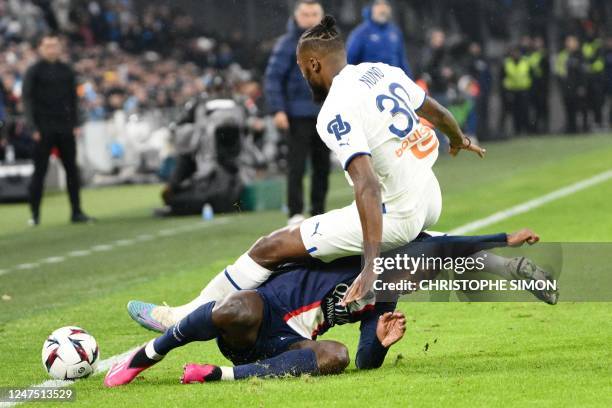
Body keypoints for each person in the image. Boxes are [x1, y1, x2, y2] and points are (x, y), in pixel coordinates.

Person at [128, 15, 485, 330]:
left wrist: (370, 265)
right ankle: (485, 259)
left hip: (398, 211)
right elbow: (435, 110)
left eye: (302, 70)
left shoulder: (335, 110)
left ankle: (181, 317)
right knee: (328, 241)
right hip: (429, 195)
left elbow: (368, 185)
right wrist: (458, 138)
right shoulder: (380, 71)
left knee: (270, 247)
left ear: (314, 64)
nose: (303, 77)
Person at [108, 228, 555, 387]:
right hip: (255, 319)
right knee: (238, 306)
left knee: (334, 356)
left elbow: (362, 361)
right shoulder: (350, 251)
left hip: (285, 347)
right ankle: (153, 350)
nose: (410, 281)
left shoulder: (384, 302)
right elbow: (440, 245)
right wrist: (501, 241)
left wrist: (379, 344)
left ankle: (215, 376)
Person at [264, 0, 330, 226]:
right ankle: (295, 213)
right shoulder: (286, 44)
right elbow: (273, 78)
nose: (310, 18)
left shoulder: (330, 44)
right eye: (305, 14)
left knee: (322, 165)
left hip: (325, 113)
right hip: (296, 114)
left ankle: (319, 211)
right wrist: (278, 109)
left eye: (314, 14)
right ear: (296, 16)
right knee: (297, 165)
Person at [21, 34, 93, 225]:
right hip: (43, 128)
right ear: (40, 48)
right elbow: (27, 101)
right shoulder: (33, 71)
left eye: (55, 45)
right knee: (40, 173)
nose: (52, 49)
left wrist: (75, 123)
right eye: (48, 46)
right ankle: (35, 214)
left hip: (65, 127)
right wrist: (33, 127)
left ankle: (76, 211)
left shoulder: (67, 70)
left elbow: (73, 99)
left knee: (72, 171)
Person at [346, 0, 412, 78]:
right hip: (369, 83)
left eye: (386, 4)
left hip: (392, 82)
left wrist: (410, 81)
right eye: (378, 4)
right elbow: (349, 61)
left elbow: (402, 61)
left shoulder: (395, 32)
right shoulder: (361, 33)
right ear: (371, 8)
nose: (382, 8)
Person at [555, 35, 588, 134]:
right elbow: (559, 72)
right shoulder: (563, 55)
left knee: (582, 108)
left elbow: (583, 72)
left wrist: (582, 86)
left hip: (577, 86)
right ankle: (571, 127)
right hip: (567, 87)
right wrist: (562, 85)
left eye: (572, 41)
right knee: (569, 108)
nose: (570, 44)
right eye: (568, 41)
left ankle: (584, 127)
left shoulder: (580, 55)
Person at [501, 46, 532, 136]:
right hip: (512, 91)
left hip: (524, 90)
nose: (515, 54)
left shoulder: (526, 62)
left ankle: (526, 130)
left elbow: (531, 76)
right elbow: (502, 78)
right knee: (515, 113)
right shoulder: (507, 63)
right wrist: (506, 91)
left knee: (525, 111)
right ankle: (517, 130)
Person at [581, 26, 605, 130]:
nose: (589, 33)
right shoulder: (585, 45)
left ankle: (598, 123)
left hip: (597, 79)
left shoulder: (598, 45)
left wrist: (590, 67)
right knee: (586, 103)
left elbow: (599, 62)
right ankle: (586, 124)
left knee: (597, 102)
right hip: (587, 79)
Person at [527, 36, 550, 133]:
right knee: (534, 108)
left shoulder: (544, 55)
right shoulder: (530, 55)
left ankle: (544, 127)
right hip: (532, 86)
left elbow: (547, 72)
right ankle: (534, 127)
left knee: (543, 108)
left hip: (542, 86)